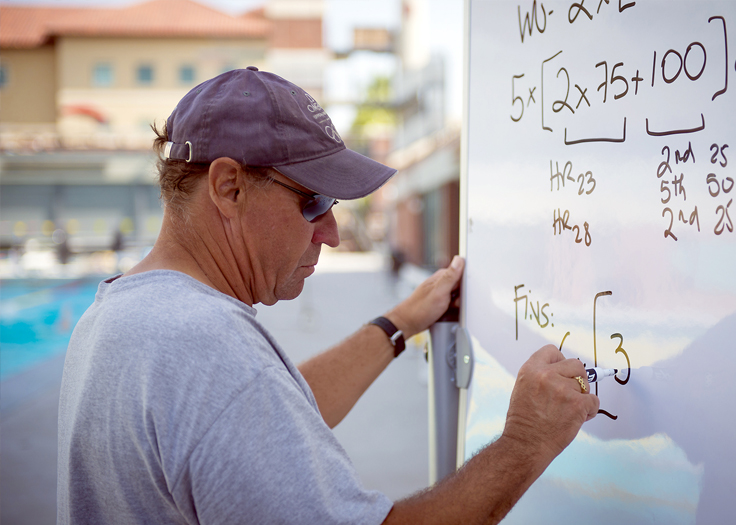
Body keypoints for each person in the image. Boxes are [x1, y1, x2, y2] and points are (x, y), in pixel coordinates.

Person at [57, 68, 599, 524]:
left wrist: (400, 322)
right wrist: (526, 441)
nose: (332, 232)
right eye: (314, 200)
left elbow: (269, 415)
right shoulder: (207, 349)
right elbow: (248, 400)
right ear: (229, 187)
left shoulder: (118, 315)